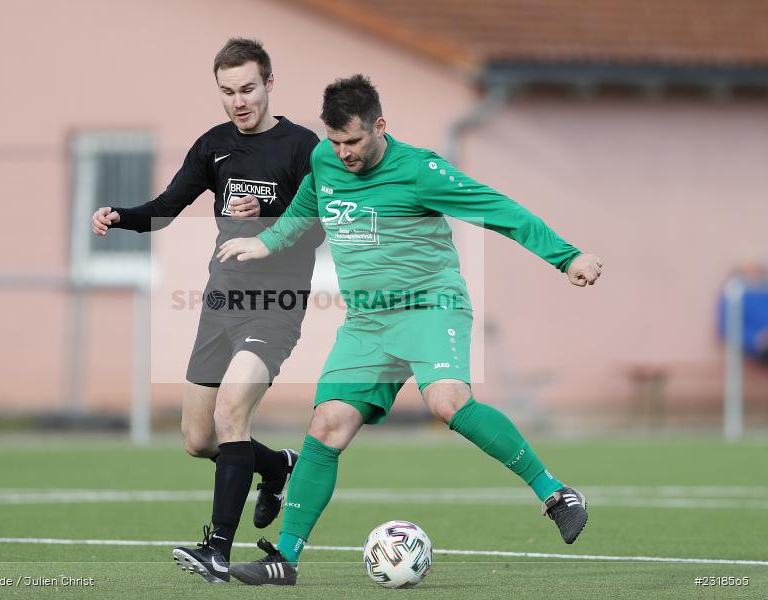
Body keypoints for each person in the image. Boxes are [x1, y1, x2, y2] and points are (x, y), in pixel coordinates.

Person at [217, 74, 603, 586]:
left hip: (429, 305)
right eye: (334, 141)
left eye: (352, 141)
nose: (343, 153)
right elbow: (305, 211)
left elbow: (499, 209)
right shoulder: (324, 160)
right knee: (326, 424)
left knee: (447, 402)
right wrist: (266, 242)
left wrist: (567, 256)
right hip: (368, 321)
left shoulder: (421, 170)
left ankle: (555, 493)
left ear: (379, 126)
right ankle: (284, 559)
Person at [90, 38, 322, 584]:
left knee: (230, 417)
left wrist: (268, 212)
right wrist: (119, 216)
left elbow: (320, 228)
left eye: (247, 89)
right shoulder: (214, 146)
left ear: (269, 82)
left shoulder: (303, 147)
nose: (239, 101)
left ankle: (215, 549)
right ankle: (278, 465)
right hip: (221, 301)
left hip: (276, 305)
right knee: (199, 438)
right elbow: (166, 209)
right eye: (227, 92)